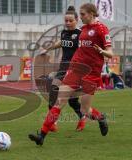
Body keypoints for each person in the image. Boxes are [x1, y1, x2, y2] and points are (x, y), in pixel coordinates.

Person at [29, 3, 113, 146]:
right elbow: (63, 42)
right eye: (79, 14)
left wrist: (101, 51)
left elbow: (110, 53)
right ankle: (41, 136)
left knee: (85, 110)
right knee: (59, 101)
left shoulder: (101, 29)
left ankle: (100, 118)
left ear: (91, 14)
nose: (80, 17)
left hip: (91, 73)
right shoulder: (84, 30)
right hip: (75, 70)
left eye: (83, 14)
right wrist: (47, 49)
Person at [42, 6, 86, 132]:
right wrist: (48, 48)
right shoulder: (64, 33)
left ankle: (82, 117)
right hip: (63, 68)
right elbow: (61, 42)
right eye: (66, 21)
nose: (67, 23)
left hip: (75, 70)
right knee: (53, 91)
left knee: (72, 100)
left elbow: (87, 51)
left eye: (70, 21)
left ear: (77, 20)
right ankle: (52, 122)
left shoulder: (81, 35)